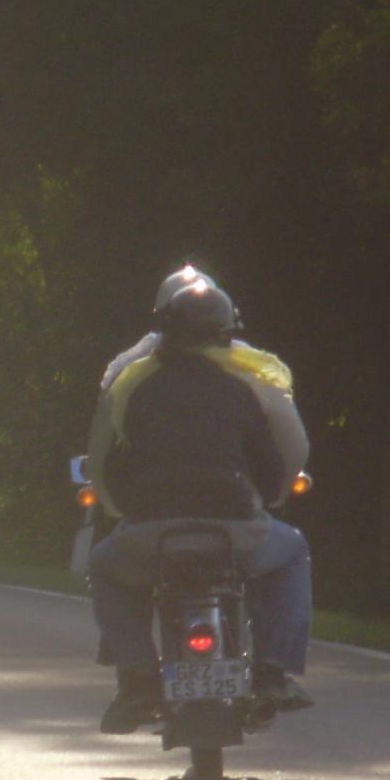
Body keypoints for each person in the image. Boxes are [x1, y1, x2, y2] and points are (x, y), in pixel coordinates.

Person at [86, 271, 314, 733]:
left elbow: (109, 466)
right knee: (292, 551)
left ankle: (137, 679)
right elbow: (272, 463)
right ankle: (273, 672)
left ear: (164, 331)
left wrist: (126, 511)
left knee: (104, 564)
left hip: (152, 533)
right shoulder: (244, 384)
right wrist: (267, 499)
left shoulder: (136, 385)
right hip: (236, 527)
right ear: (227, 333)